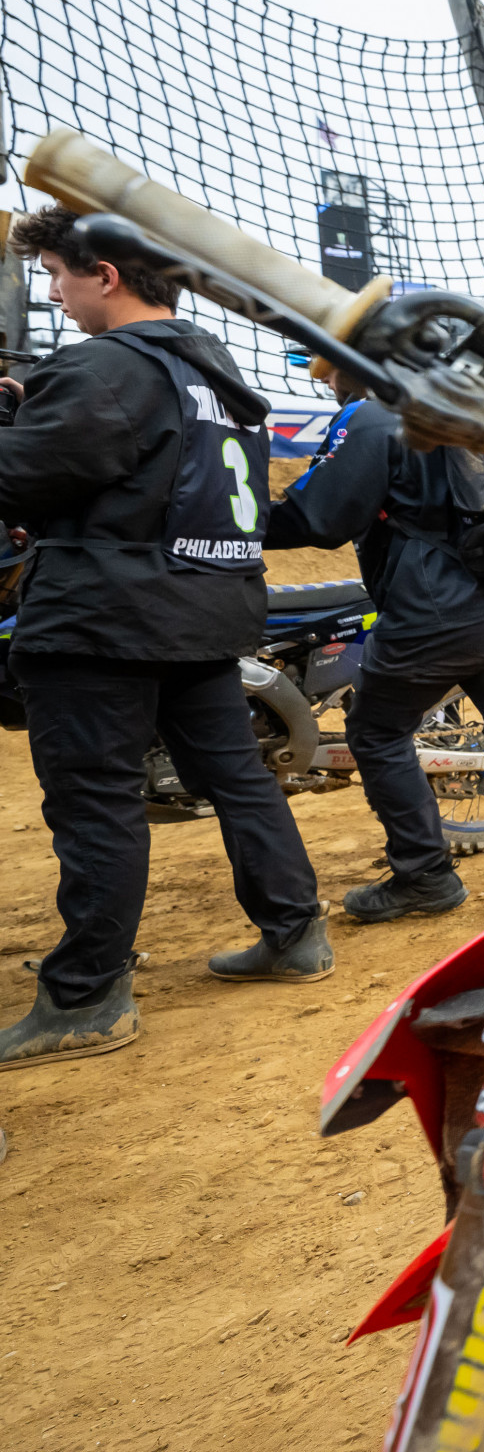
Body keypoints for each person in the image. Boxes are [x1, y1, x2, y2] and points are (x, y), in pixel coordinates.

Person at [0, 207, 328, 1072]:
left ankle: (85, 998)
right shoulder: (215, 372)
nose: (56, 296)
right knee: (238, 781)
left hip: (103, 623)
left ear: (104, 274)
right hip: (204, 614)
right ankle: (295, 933)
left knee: (97, 805)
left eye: (60, 277)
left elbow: (17, 479)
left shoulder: (103, 366)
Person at [264, 378, 484, 920]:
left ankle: (424, 875)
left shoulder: (372, 414)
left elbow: (319, 517)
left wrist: (219, 524)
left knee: (377, 730)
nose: (324, 375)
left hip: (436, 610)